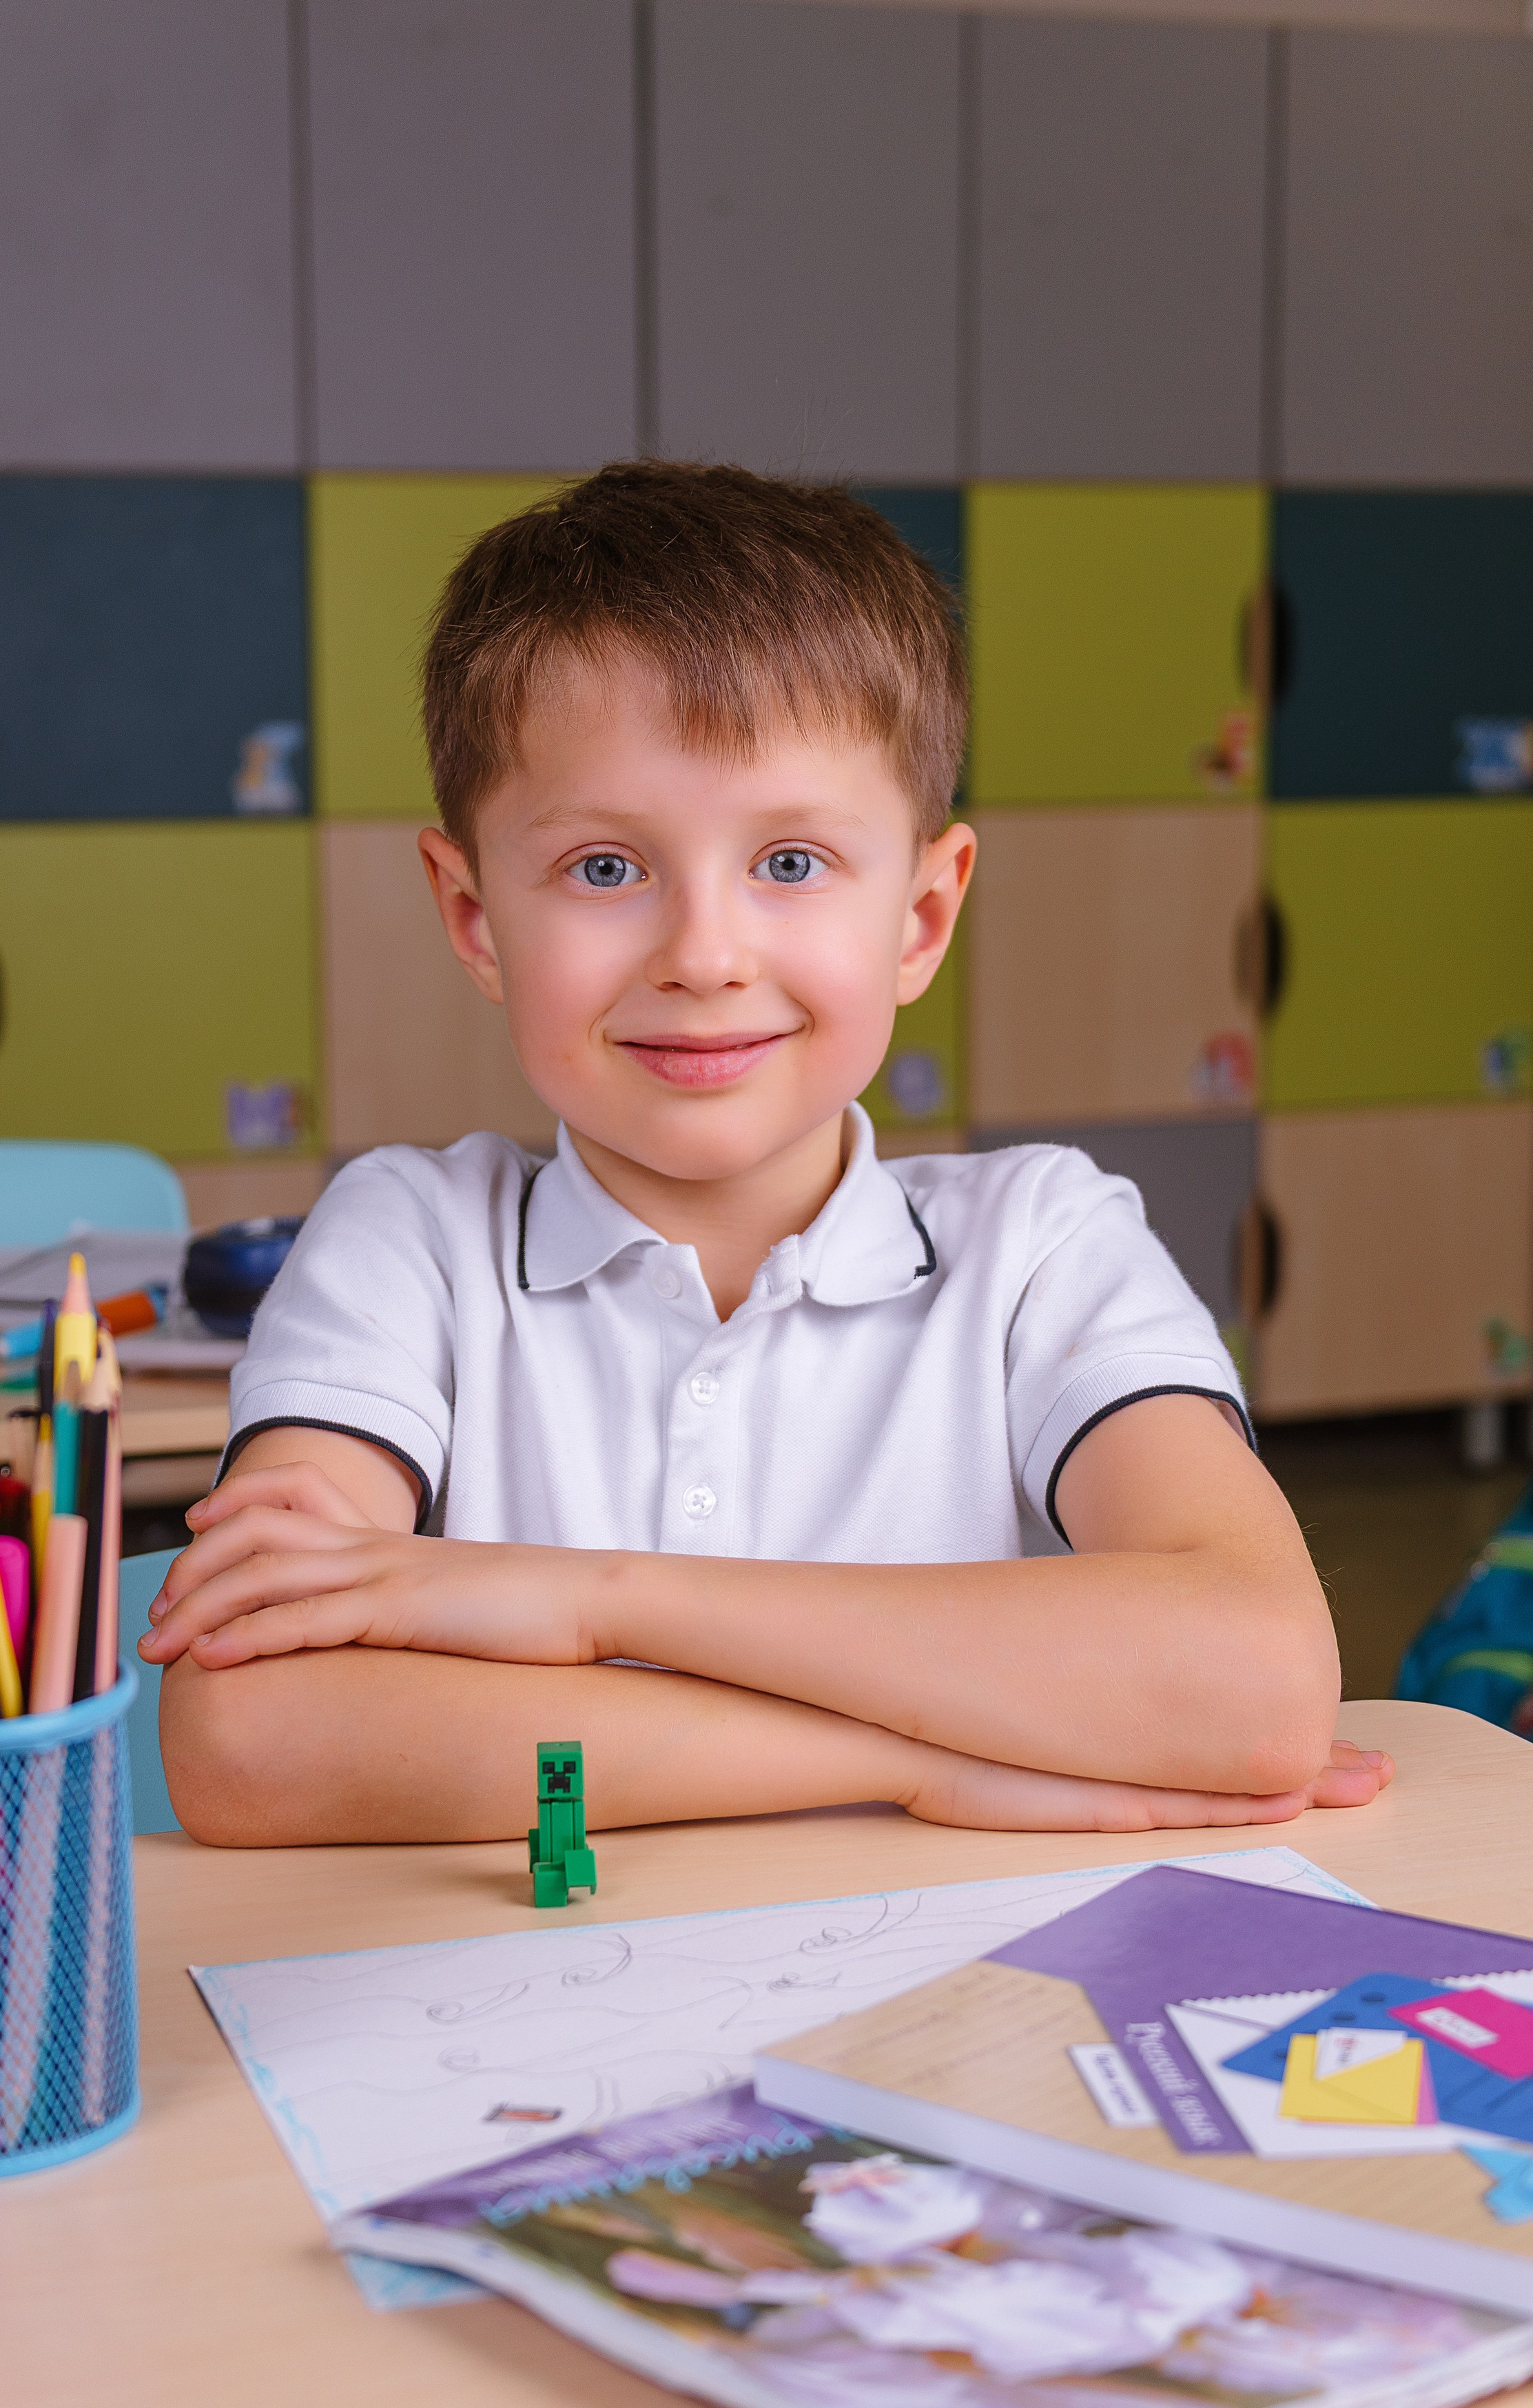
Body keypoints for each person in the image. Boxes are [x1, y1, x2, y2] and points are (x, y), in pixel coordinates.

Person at [143, 462, 1387, 1844]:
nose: (703, 958)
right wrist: (919, 1764)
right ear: (474, 913)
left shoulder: (1042, 1246)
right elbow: (249, 1740)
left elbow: (1255, 1685)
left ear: (918, 917)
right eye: (605, 869)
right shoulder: (404, 1246)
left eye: (790, 863)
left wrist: (580, 1601)